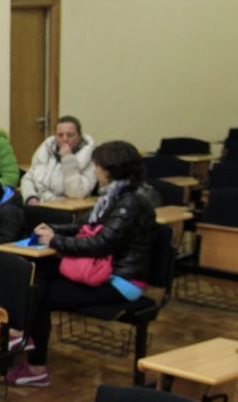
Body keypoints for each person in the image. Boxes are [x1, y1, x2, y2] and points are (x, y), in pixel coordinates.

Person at [8, 141, 155, 387]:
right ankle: (23, 338)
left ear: (111, 170)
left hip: (122, 280)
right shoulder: (112, 196)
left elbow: (101, 243)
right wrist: (54, 230)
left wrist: (56, 241)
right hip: (100, 269)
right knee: (38, 274)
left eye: (97, 166)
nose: (94, 171)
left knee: (41, 296)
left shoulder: (131, 202)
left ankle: (33, 360)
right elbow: (86, 227)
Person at [20, 115, 97, 205]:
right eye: (60, 135)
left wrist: (68, 159)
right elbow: (28, 178)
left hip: (66, 207)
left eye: (70, 135)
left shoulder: (90, 157)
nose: (65, 139)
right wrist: (31, 197)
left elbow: (77, 194)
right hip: (41, 203)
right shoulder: (46, 150)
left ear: (79, 136)